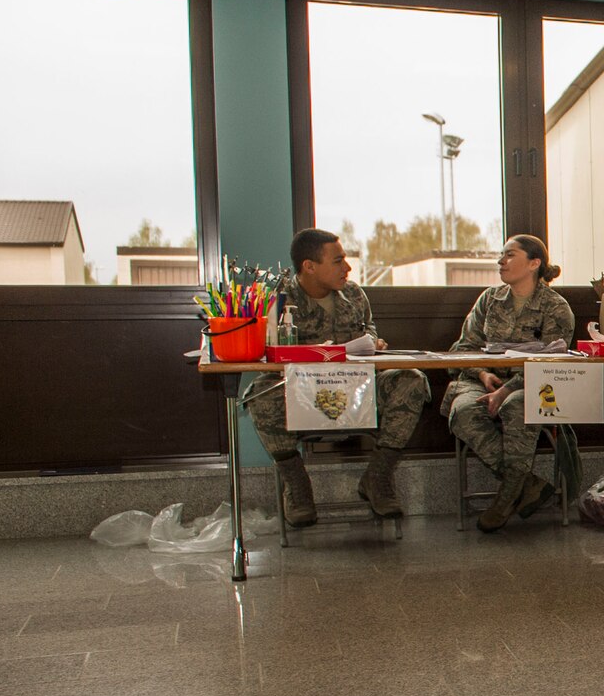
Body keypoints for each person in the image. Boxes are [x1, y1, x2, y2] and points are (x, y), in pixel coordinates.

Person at [246, 228, 431, 526]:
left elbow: (368, 330)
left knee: (411, 379)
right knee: (260, 394)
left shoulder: (354, 293)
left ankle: (378, 477)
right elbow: (268, 351)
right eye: (338, 261)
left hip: (356, 387)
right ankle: (297, 485)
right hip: (302, 391)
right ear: (309, 266)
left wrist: (375, 342)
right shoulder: (278, 300)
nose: (347, 268)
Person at [443, 235, 576, 532]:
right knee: (463, 410)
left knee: (518, 406)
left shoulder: (555, 308)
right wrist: (483, 375)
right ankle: (525, 485)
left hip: (535, 385)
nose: (501, 261)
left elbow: (552, 362)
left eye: (510, 255)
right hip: (483, 381)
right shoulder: (489, 300)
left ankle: (505, 500)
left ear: (534, 263)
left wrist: (506, 389)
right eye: (501, 255)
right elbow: (463, 348)